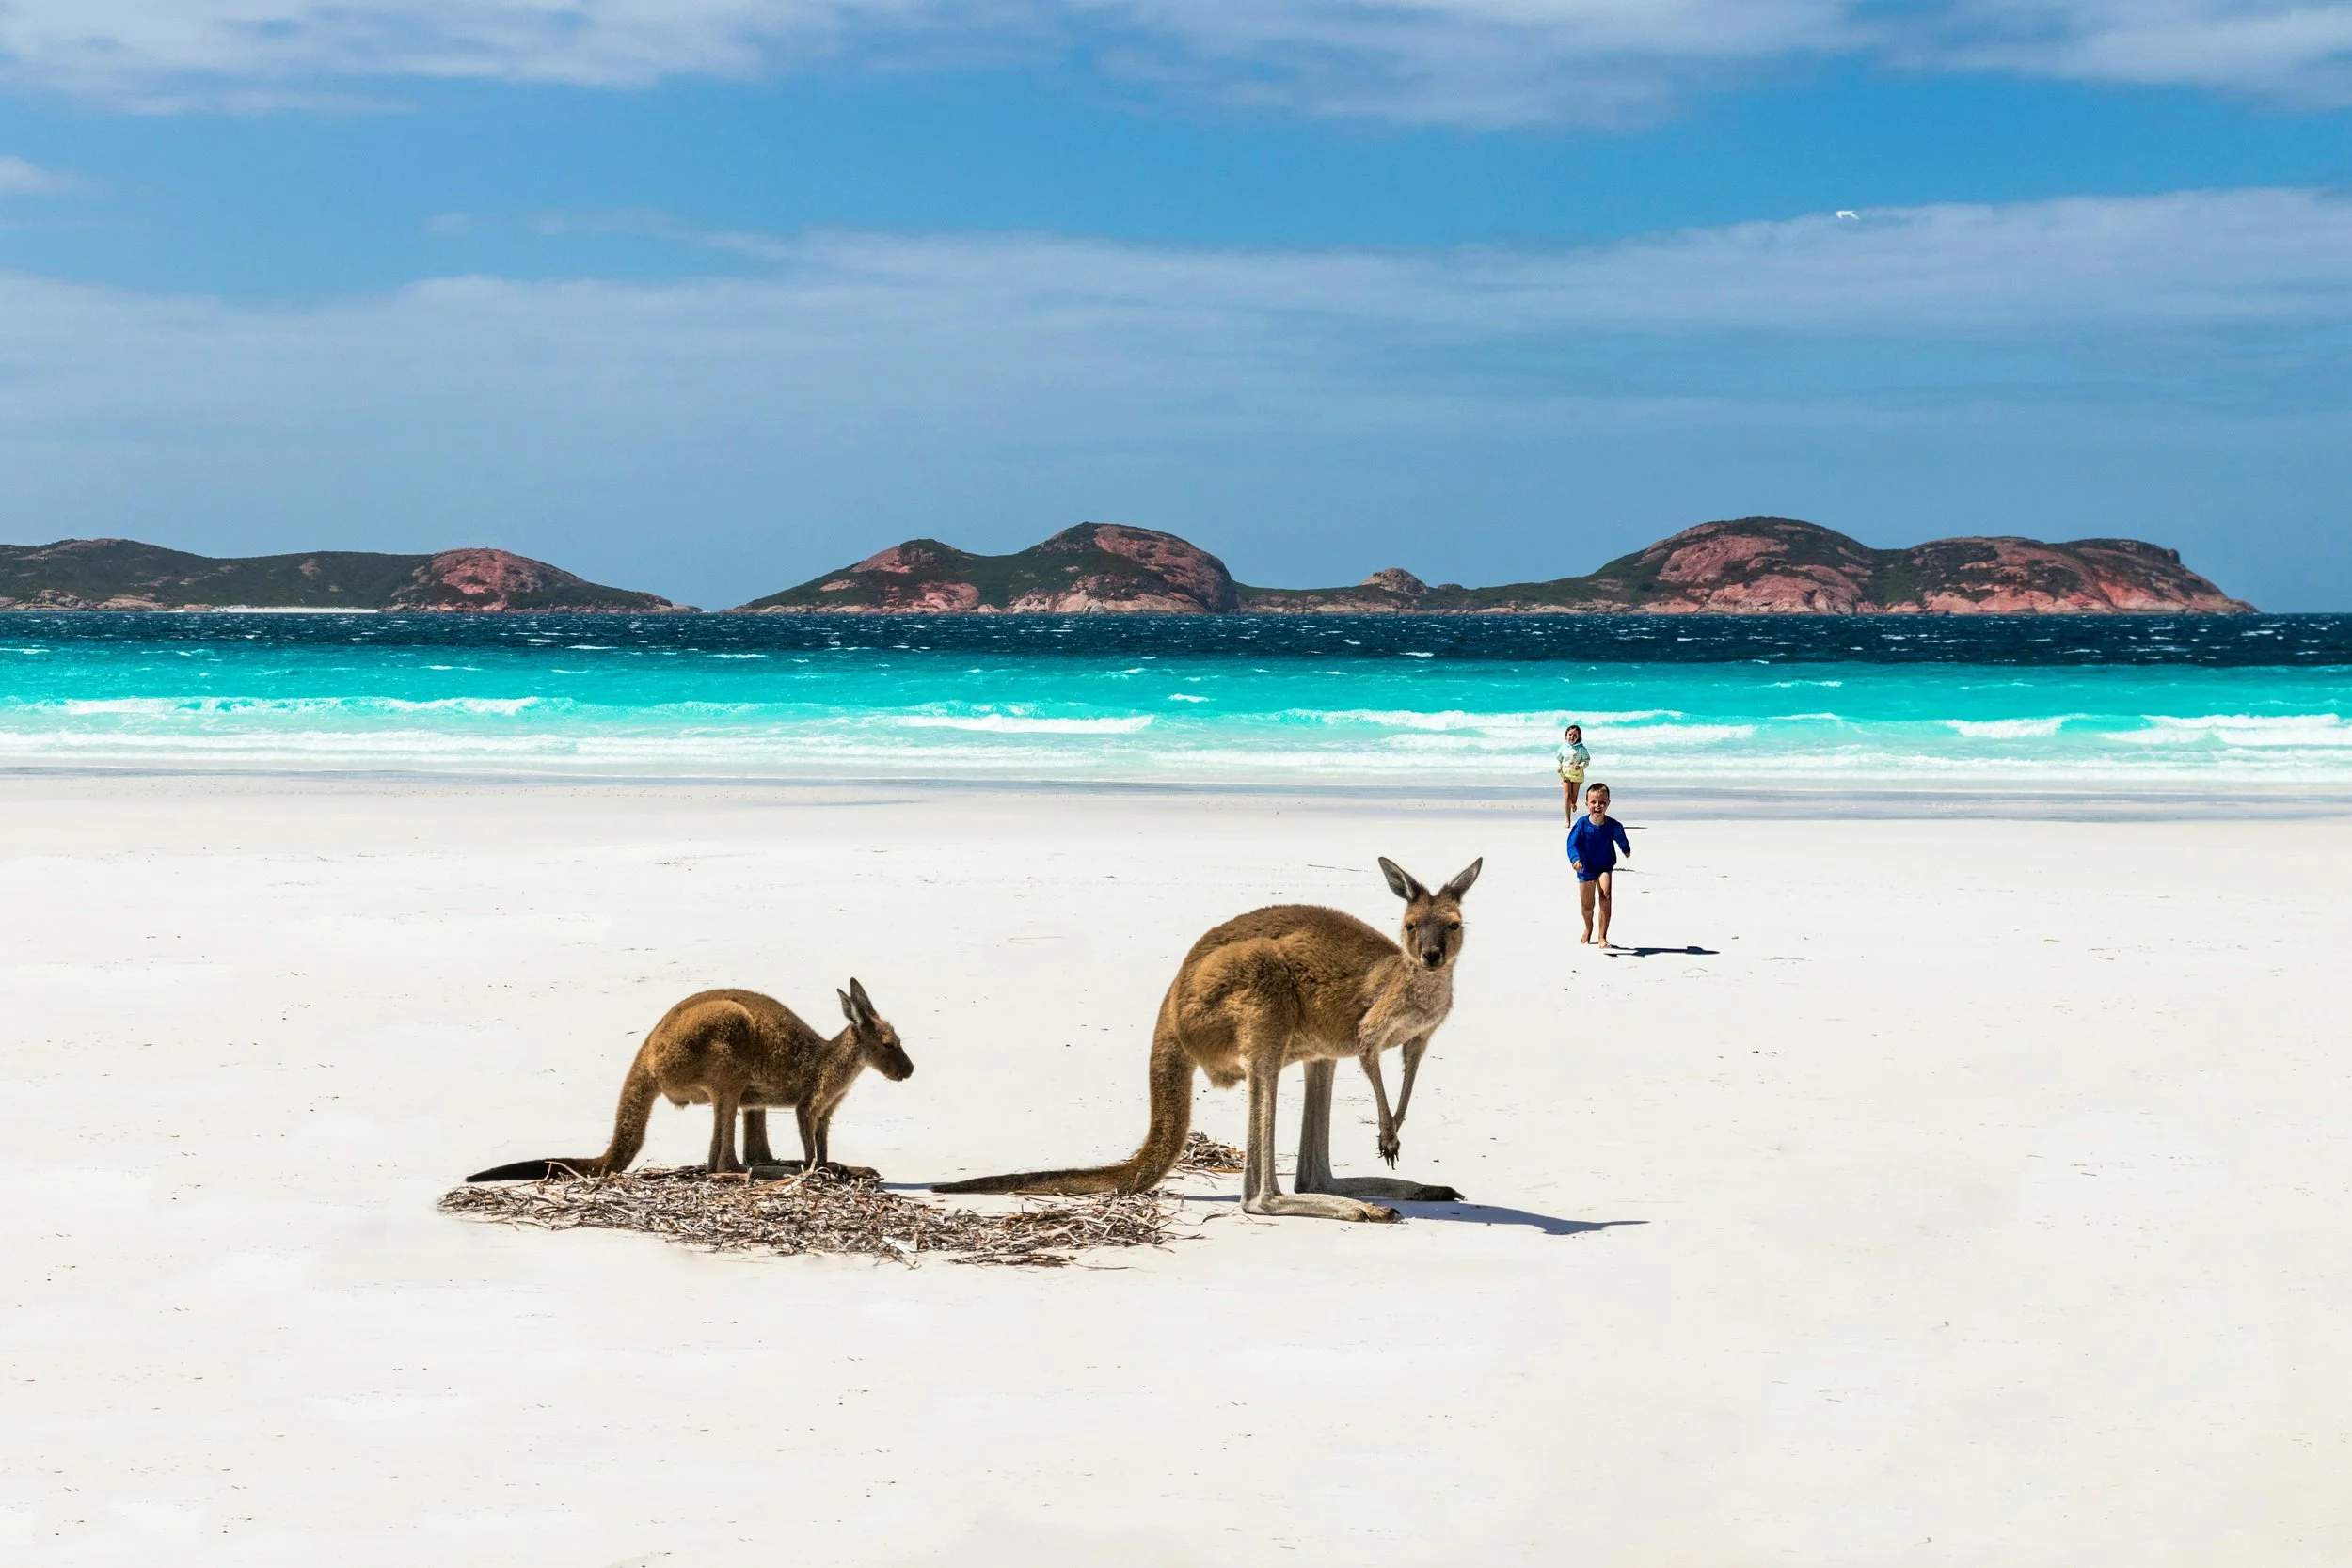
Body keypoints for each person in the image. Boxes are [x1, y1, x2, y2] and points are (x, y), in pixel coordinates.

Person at [1566, 781, 1631, 947]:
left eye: (1602, 802)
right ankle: (1588, 928)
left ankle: (1602, 937)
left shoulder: (1612, 825)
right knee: (1587, 906)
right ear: (1586, 803)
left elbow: (1620, 835)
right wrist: (1575, 859)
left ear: (1608, 804)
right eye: (1593, 802)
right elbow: (1571, 844)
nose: (1597, 805)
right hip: (1585, 868)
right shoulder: (1581, 824)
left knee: (1606, 895)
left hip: (1604, 866)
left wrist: (1625, 848)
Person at [1554, 723, 1589, 825]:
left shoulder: (1581, 749)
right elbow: (1559, 759)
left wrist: (1580, 766)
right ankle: (1568, 819)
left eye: (1575, 735)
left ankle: (1573, 803)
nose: (1572, 737)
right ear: (1566, 736)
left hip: (1577, 775)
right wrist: (1559, 767)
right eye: (1570, 734)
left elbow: (1586, 760)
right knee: (1567, 796)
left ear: (1579, 737)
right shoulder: (1563, 748)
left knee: (1573, 798)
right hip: (1565, 774)